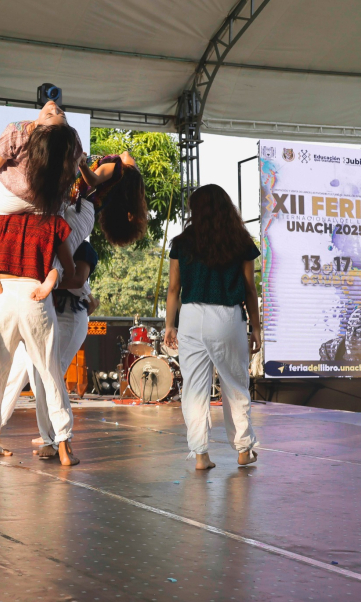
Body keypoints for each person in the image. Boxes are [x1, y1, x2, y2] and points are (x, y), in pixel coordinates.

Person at [163, 184, 261, 471]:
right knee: (235, 384)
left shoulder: (182, 242)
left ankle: (200, 455)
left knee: (194, 388)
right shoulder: (240, 240)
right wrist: (256, 327)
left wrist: (170, 324)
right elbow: (249, 289)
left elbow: (173, 289)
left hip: (191, 316)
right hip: (227, 316)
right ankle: (243, 450)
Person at [0, 210, 79, 467]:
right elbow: (72, 271)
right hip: (36, 293)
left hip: (3, 294)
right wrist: (53, 275)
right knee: (50, 373)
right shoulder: (54, 221)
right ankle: (63, 448)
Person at [0, 241, 100, 456]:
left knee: (47, 376)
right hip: (42, 313)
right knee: (17, 373)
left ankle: (55, 439)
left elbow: (78, 280)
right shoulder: (45, 243)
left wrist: (43, 282)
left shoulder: (82, 248)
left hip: (69, 316)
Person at [73, 151, 148, 247]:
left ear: (130, 172)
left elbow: (93, 181)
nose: (133, 158)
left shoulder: (118, 167)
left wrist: (82, 164)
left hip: (76, 210)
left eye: (136, 165)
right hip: (82, 215)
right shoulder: (113, 178)